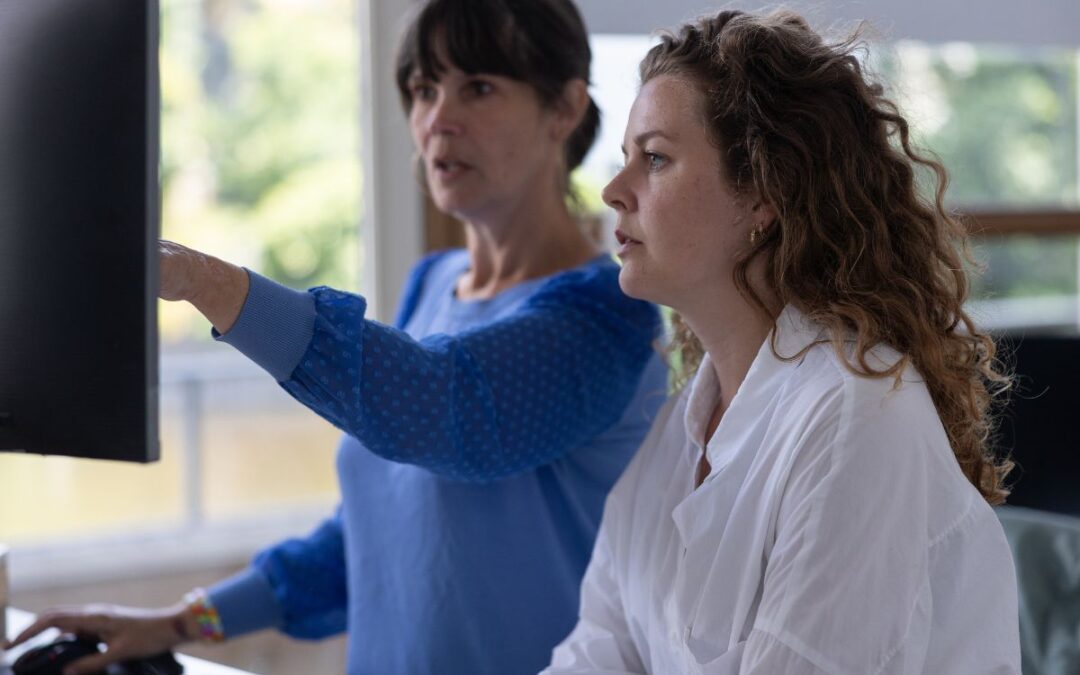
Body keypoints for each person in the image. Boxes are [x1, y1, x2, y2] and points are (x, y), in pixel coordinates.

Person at [6, 1, 667, 673]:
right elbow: (364, 542)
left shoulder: (609, 314)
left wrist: (203, 280)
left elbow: (448, 407)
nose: (438, 118)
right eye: (423, 89)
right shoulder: (432, 284)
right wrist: (177, 622)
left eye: (479, 87)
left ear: (565, 109)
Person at [545, 10, 1020, 674]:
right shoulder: (675, 438)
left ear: (764, 194)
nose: (614, 191)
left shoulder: (858, 418)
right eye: (626, 158)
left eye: (655, 158)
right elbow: (594, 652)